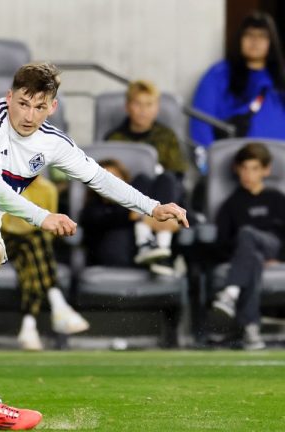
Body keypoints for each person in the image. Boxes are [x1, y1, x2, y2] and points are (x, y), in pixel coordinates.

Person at [0, 63, 188, 429]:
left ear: (52, 107)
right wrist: (43, 216)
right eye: (23, 104)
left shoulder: (52, 142)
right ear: (10, 98)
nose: (29, 115)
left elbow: (100, 177)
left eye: (39, 107)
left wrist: (153, 207)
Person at [211, 143, 285, 350]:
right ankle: (251, 330)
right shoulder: (230, 204)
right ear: (237, 169)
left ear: (266, 170)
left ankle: (231, 293)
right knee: (252, 257)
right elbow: (221, 242)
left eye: (254, 168)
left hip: (275, 247)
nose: (248, 174)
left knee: (247, 233)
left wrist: (280, 258)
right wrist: (245, 253)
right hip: (250, 256)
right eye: (244, 168)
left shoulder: (277, 199)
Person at [1, 175, 88, 351]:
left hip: (33, 244)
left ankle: (29, 324)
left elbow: (51, 228)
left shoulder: (48, 189)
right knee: (34, 242)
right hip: (3, 240)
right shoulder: (3, 184)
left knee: (31, 256)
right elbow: (7, 225)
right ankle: (57, 302)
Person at [191, 11, 285, 153]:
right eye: (249, 35)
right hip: (234, 165)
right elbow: (201, 123)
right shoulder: (218, 75)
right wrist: (208, 164)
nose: (255, 41)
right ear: (239, 39)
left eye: (262, 36)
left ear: (272, 42)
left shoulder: (280, 78)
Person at [104, 80, 187, 176]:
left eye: (149, 104)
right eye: (137, 103)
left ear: (157, 108)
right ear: (127, 106)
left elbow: (178, 174)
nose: (143, 110)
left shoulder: (167, 136)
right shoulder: (113, 139)